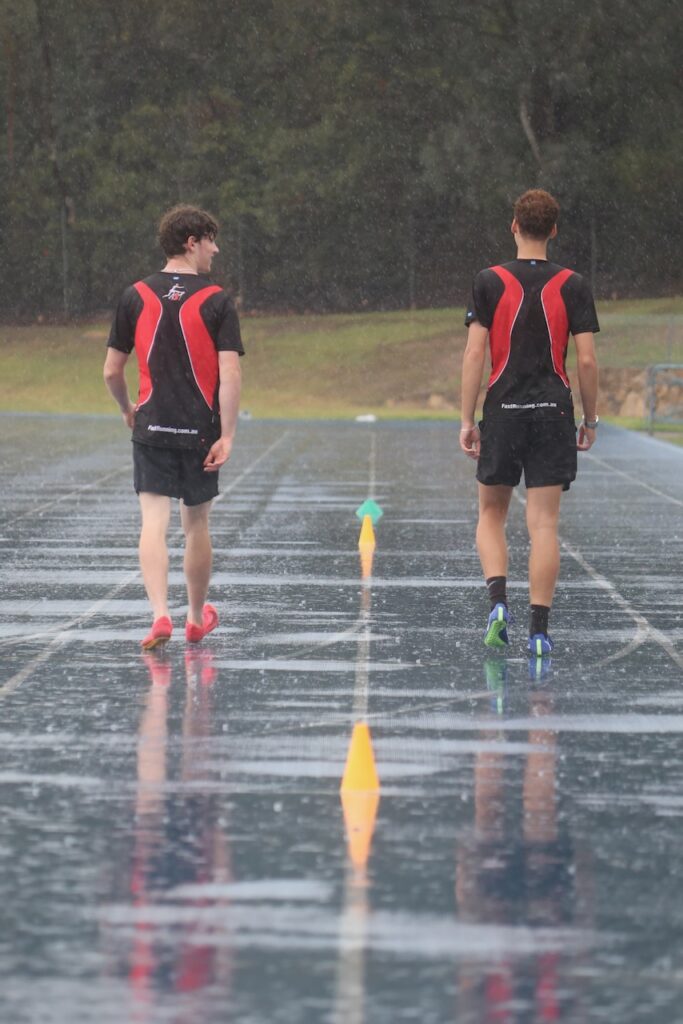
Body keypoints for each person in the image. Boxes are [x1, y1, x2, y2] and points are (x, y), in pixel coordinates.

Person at [459, 189, 599, 656]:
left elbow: (475, 352)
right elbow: (588, 360)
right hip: (553, 413)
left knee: (490, 513)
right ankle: (539, 631)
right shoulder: (574, 284)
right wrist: (591, 418)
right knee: (543, 526)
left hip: (503, 411)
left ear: (514, 226)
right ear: (554, 230)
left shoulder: (488, 280)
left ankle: (498, 603)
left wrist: (466, 418)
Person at [104, 204, 244, 650]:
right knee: (196, 526)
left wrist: (128, 408)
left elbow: (111, 370)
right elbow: (231, 374)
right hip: (199, 431)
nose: (215, 250)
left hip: (151, 426)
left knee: (153, 522)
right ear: (192, 242)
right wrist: (227, 434)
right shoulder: (218, 300)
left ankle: (160, 615)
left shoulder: (135, 295)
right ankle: (195, 618)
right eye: (210, 241)